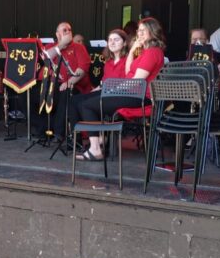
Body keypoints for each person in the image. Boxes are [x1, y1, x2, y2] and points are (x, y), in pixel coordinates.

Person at [76, 18, 165, 162]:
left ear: (153, 32)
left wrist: (113, 91)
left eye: (143, 30)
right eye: (138, 31)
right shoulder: (145, 52)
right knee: (89, 102)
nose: (139, 33)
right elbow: (129, 70)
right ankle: (100, 140)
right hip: (134, 93)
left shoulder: (152, 52)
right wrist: (132, 52)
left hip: (141, 96)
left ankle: (96, 147)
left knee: (88, 105)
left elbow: (137, 81)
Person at [69, 29, 128, 150]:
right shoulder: (108, 62)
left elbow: (127, 83)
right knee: (74, 100)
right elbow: (103, 83)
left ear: (125, 43)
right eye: (110, 40)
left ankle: (96, 141)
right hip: (104, 92)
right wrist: (92, 91)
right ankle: (76, 140)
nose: (112, 42)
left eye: (116, 40)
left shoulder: (127, 61)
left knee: (86, 103)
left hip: (117, 95)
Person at [38, 21, 91, 140]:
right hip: (54, 84)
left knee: (64, 94)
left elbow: (83, 68)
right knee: (33, 95)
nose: (67, 32)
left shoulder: (79, 47)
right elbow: (45, 58)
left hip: (75, 85)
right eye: (64, 30)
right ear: (57, 34)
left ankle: (59, 133)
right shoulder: (51, 47)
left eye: (69, 30)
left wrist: (69, 82)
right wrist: (61, 45)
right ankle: (44, 130)